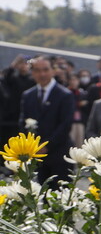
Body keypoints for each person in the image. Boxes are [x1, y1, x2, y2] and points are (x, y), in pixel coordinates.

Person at [20, 56, 75, 184]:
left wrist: (46, 145)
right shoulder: (28, 95)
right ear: (32, 73)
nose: (42, 74)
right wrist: (32, 145)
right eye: (37, 70)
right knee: (42, 196)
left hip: (59, 154)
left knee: (60, 197)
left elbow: (65, 124)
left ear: (53, 70)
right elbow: (22, 121)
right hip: (37, 156)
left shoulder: (65, 95)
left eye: (45, 70)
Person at [1, 54, 34, 146]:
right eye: (22, 64)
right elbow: (6, 77)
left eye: (26, 64)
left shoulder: (32, 80)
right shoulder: (14, 78)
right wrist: (14, 65)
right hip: (12, 116)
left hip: (28, 114)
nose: (24, 66)